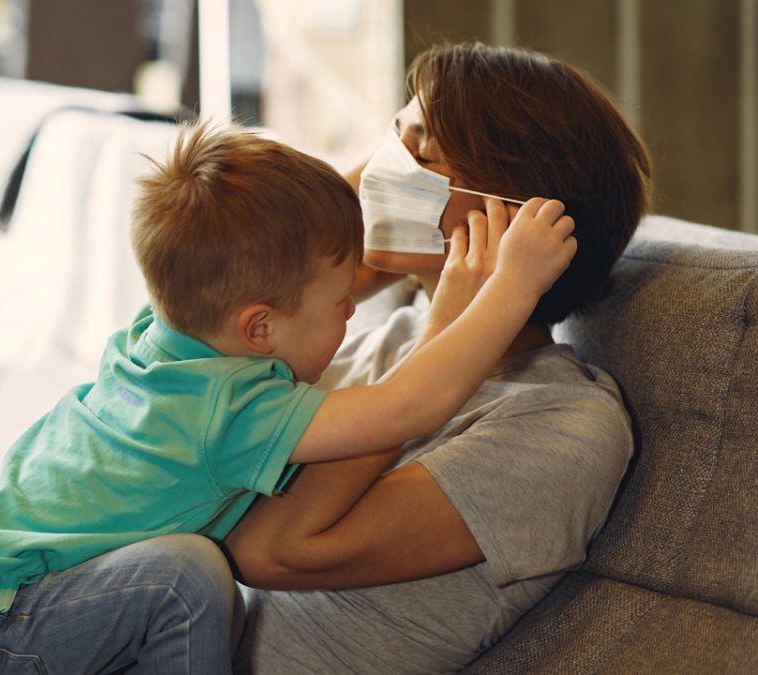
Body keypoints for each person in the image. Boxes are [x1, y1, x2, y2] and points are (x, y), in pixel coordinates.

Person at [0, 118, 574, 674]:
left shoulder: (178, 331)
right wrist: (489, 291)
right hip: (0, 613)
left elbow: (285, 266)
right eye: (343, 305)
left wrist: (411, 272)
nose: (354, 312)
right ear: (261, 325)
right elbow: (410, 401)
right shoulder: (240, 402)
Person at [224, 42, 653, 673]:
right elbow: (198, 381)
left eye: (419, 154)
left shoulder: (563, 424)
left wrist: (456, 324)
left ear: (512, 216)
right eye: (392, 138)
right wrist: (337, 256)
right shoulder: (397, 333)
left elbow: (272, 549)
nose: (379, 173)